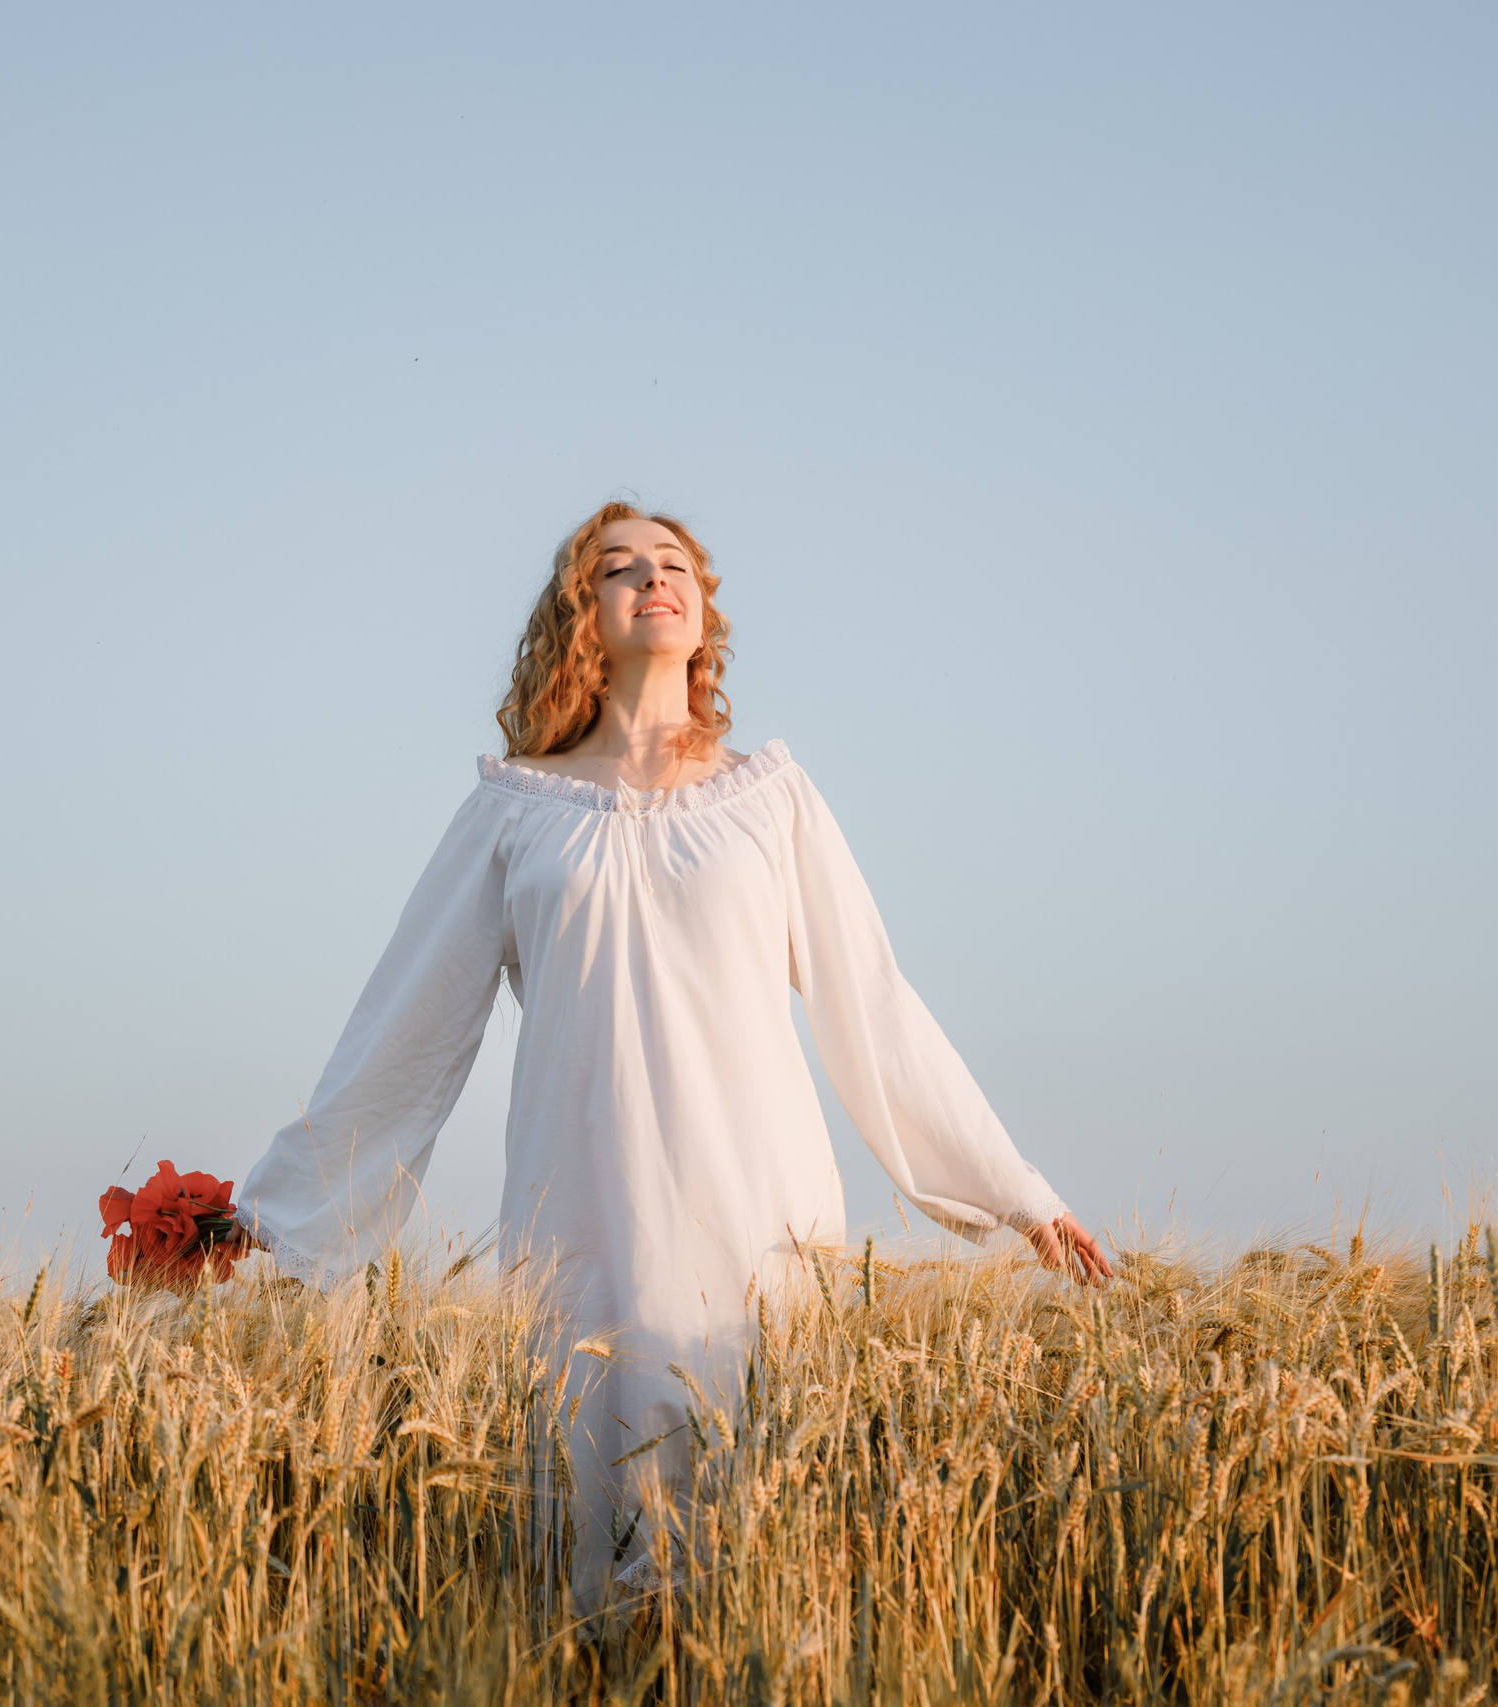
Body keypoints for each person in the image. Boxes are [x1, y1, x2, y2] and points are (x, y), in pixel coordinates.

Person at [234, 500, 1110, 1596]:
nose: (653, 577)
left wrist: (1017, 1191)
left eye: (674, 564)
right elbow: (405, 1027)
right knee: (586, 1552)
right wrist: (275, 1215)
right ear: (582, 614)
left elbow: (874, 1005)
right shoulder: (515, 811)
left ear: (702, 614)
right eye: (620, 567)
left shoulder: (770, 801)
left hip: (759, 1212)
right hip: (581, 1217)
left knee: (756, 1546)